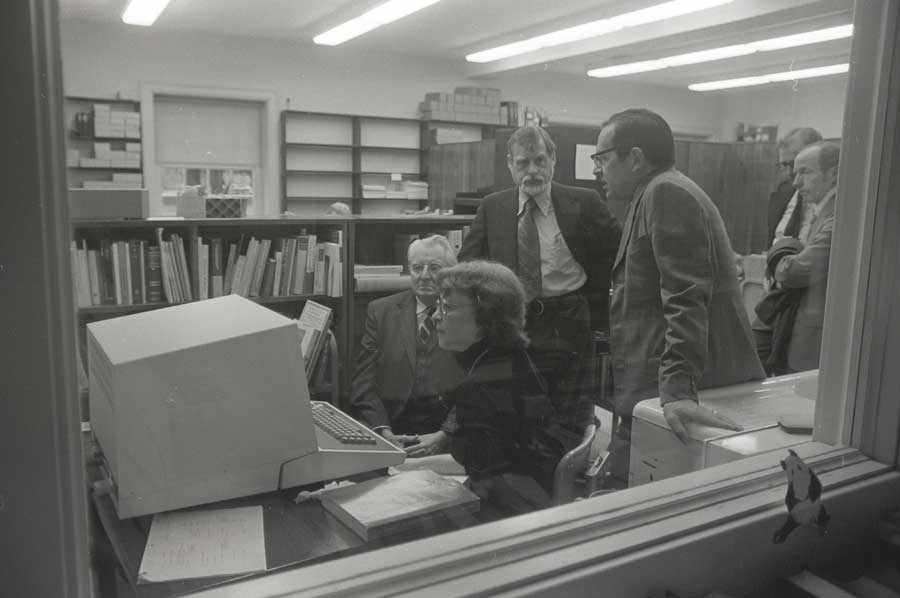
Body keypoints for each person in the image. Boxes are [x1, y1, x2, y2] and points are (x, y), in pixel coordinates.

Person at [593, 108, 765, 484]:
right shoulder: (653, 192)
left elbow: (686, 297)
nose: (597, 169)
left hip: (684, 388)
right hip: (660, 382)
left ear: (635, 158)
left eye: (603, 158)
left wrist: (676, 391)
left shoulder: (665, 193)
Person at [458, 126, 621, 445]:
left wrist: (594, 303)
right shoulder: (493, 206)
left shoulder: (583, 202)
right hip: (513, 323)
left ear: (553, 160)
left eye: (539, 161)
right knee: (517, 407)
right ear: (510, 165)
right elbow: (468, 265)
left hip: (568, 321)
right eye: (522, 163)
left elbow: (617, 252)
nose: (532, 170)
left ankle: (565, 477)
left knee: (569, 412)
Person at [433, 260, 565, 517]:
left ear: (486, 320)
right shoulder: (512, 359)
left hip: (506, 516)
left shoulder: (481, 388)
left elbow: (484, 486)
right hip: (527, 496)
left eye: (447, 307)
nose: (436, 315)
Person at [349, 235, 462, 457]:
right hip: (394, 432)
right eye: (417, 267)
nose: (425, 276)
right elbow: (363, 382)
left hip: (450, 437)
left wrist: (446, 434)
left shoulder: (465, 313)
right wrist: (382, 430)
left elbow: (476, 386)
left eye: (435, 268)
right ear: (408, 270)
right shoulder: (381, 312)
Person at [764, 141, 840, 373]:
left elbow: (793, 272)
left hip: (815, 339)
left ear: (834, 173)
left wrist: (780, 251)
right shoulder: (823, 211)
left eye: (805, 172)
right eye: (795, 173)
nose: (796, 182)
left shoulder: (838, 214)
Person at [768, 127, 823, 247]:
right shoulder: (782, 192)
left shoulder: (832, 201)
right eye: (784, 165)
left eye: (793, 164)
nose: (789, 173)